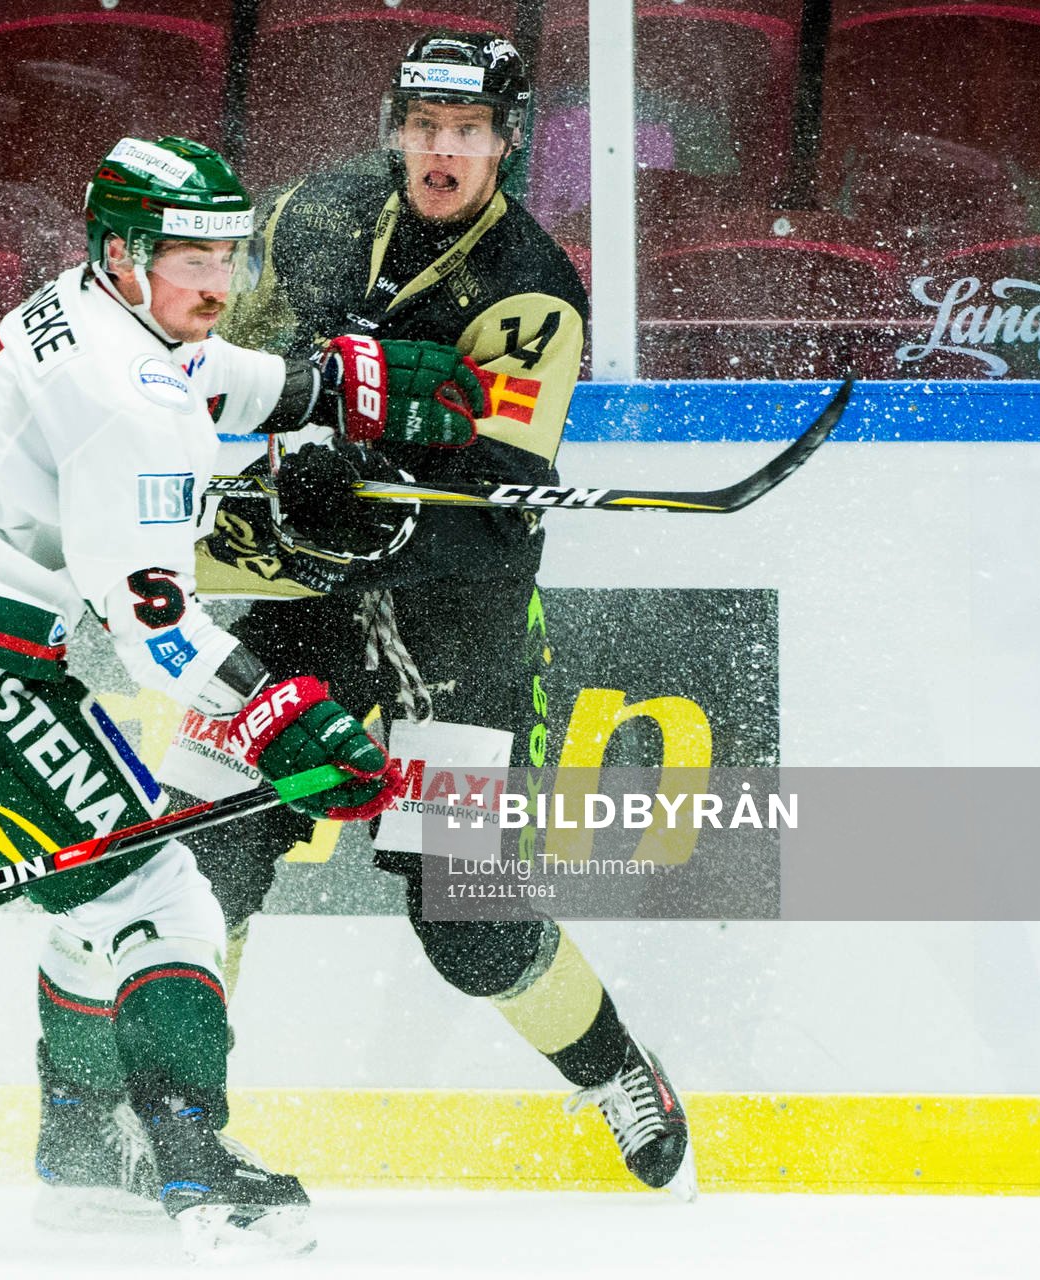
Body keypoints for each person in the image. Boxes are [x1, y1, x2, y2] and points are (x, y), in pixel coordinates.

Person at [0, 135, 484, 1259]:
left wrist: (324, 387)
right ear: (121, 252)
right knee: (170, 895)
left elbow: (200, 372)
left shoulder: (92, 310)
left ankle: (82, 1159)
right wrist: (286, 714)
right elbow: (153, 623)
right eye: (190, 257)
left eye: (229, 254)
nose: (219, 283)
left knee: (92, 901)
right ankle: (194, 1167)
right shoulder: (132, 400)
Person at [160, 33, 698, 1199]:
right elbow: (217, 349)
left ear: (507, 141)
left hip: (456, 623)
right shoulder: (317, 210)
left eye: (466, 130)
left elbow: (495, 491)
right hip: (295, 609)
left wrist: (353, 508)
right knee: (204, 864)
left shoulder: (534, 290)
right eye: (423, 124)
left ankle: (620, 1069)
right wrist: (249, 454)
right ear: (397, 126)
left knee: (467, 920)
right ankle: (179, 1121)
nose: (440, 149)